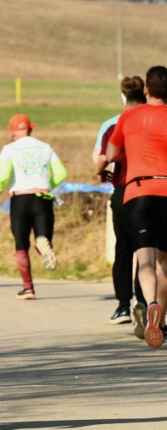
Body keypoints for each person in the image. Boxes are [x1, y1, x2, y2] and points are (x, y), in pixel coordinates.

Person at [104, 65, 167, 349]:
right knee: (165, 261)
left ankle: (150, 301)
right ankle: (161, 317)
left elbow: (111, 153)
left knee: (145, 260)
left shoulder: (129, 116)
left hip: (138, 191)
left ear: (145, 90)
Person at [0, 114, 67, 300]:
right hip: (42, 196)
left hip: (20, 199)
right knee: (43, 236)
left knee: (21, 245)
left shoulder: (9, 149)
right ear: (31, 129)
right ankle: (43, 244)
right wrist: (46, 184)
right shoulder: (45, 147)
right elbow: (62, 173)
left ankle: (28, 288)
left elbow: (3, 175)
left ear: (12, 133)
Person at [93, 76, 147, 330]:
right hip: (151, 188)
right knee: (148, 250)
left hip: (123, 189)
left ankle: (123, 305)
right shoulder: (154, 120)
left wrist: (99, 171)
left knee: (123, 249)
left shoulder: (114, 124)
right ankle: (146, 301)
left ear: (124, 97)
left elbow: (104, 158)